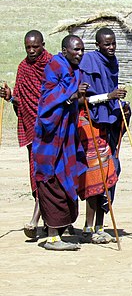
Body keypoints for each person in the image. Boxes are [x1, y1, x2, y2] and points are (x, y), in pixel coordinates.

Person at [32, 35, 87, 251]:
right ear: (64, 50)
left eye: (82, 50)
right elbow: (47, 100)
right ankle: (53, 237)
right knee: (51, 179)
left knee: (67, 177)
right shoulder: (55, 66)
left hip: (68, 135)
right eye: (76, 50)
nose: (80, 53)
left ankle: (61, 232)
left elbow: (75, 98)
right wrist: (73, 95)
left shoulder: (76, 70)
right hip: (50, 136)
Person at [0, 30, 52, 240]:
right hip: (33, 129)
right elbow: (21, 100)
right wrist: (10, 97)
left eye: (35, 47)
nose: (31, 51)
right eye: (27, 47)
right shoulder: (23, 67)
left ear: (43, 45)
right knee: (36, 173)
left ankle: (38, 220)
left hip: (53, 128)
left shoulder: (52, 65)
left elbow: (58, 94)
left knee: (48, 173)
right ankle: (49, 222)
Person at [78, 28, 128, 244]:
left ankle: (100, 225)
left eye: (113, 43)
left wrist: (121, 106)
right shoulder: (88, 63)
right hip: (89, 124)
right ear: (97, 45)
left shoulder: (113, 62)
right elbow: (82, 101)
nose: (111, 47)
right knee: (94, 176)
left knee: (109, 174)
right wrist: (109, 96)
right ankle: (89, 227)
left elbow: (111, 92)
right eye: (106, 44)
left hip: (107, 123)